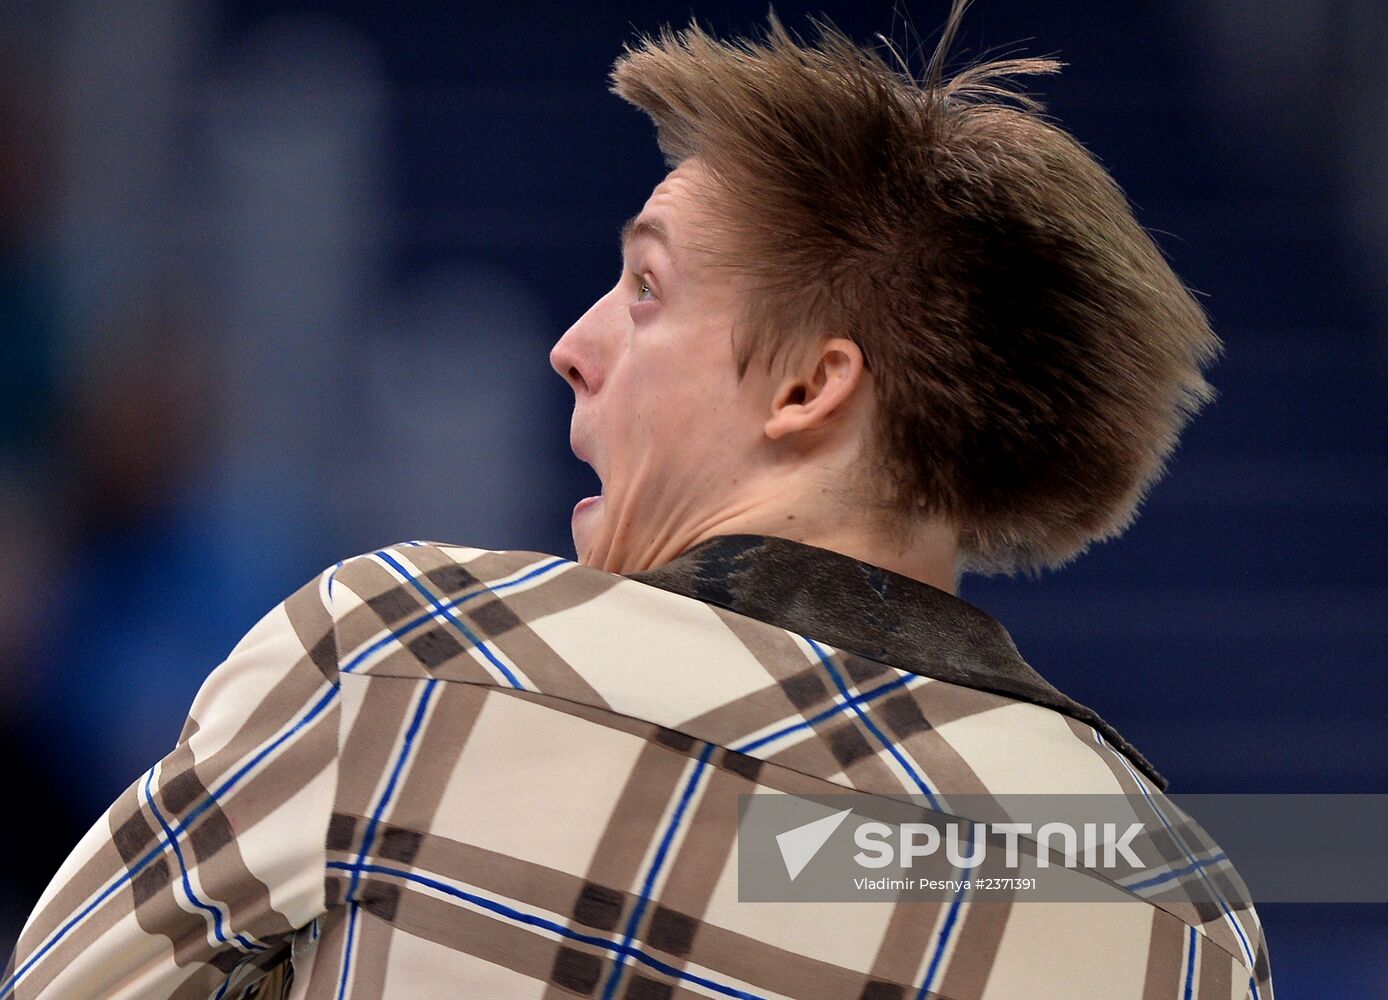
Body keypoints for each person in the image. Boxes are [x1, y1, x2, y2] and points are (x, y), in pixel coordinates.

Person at [5, 6, 1274, 999]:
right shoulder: (1174, 906)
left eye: (646, 287)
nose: (572, 342)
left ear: (805, 384)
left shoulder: (404, 659)